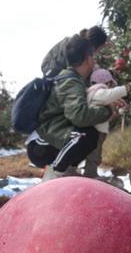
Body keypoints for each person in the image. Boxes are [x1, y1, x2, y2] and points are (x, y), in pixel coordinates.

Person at [26, 35, 112, 181]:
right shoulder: (69, 81)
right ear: (88, 58)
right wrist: (107, 111)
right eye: (93, 56)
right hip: (41, 145)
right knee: (86, 136)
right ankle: (54, 175)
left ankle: (66, 171)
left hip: (50, 137)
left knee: (87, 134)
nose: (95, 61)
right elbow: (80, 116)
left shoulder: (73, 79)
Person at [81, 68, 127, 178]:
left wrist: (118, 109)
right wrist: (126, 88)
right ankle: (90, 174)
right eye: (110, 84)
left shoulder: (91, 93)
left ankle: (85, 173)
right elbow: (110, 94)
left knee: (90, 153)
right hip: (97, 132)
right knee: (94, 154)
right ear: (108, 83)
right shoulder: (99, 92)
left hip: (95, 130)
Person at [41, 26, 109, 78]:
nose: (98, 51)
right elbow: (75, 71)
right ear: (95, 45)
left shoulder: (80, 45)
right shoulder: (74, 46)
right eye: (100, 48)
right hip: (51, 71)